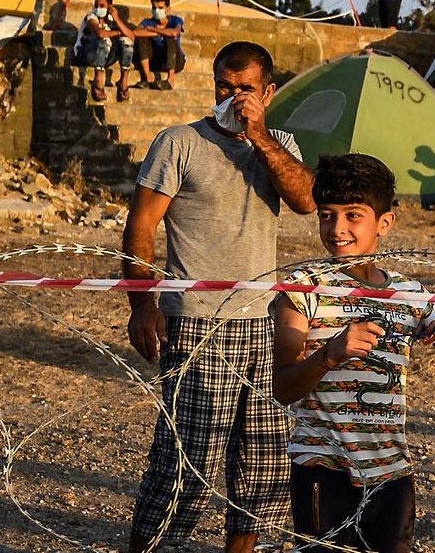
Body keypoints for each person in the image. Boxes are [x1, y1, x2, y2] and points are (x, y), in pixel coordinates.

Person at [122, 41, 316, 553]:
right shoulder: (179, 143)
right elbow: (141, 226)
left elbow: (305, 200)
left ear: (267, 92)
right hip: (197, 321)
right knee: (187, 456)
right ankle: (151, 545)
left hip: (263, 323)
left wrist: (260, 138)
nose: (232, 97)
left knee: (262, 458)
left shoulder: (280, 146)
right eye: (224, 88)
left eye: (245, 89)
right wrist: (142, 303)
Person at [272, 153, 435, 553]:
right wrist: (331, 354)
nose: (337, 229)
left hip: (391, 472)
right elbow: (283, 386)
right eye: (327, 215)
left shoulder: (407, 293)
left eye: (353, 215)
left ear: (384, 223)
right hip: (323, 469)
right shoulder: (302, 289)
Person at [72, 0, 136, 102]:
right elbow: (100, 33)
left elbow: (131, 36)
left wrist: (116, 19)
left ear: (109, 7)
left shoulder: (112, 19)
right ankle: (98, 79)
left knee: (127, 42)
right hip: (85, 54)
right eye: (96, 5)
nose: (98, 8)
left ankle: (124, 80)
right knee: (105, 40)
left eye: (102, 6)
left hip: (105, 56)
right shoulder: (91, 17)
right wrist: (117, 32)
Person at [133, 0, 186, 90]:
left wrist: (153, 30)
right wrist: (161, 32)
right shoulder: (147, 22)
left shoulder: (175, 20)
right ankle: (148, 77)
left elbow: (174, 32)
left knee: (170, 39)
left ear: (168, 9)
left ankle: (170, 80)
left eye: (160, 8)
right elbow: (136, 33)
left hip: (174, 61)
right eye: (154, 8)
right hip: (155, 60)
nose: (157, 11)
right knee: (141, 39)